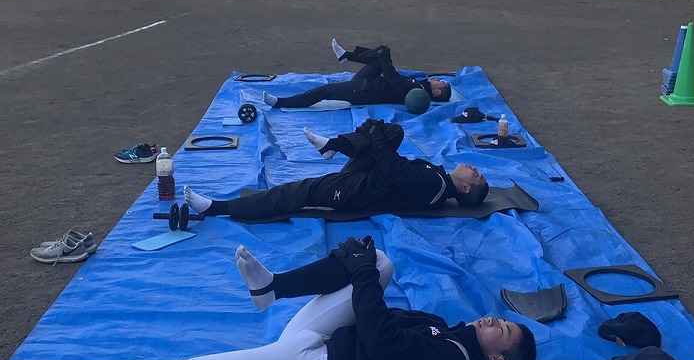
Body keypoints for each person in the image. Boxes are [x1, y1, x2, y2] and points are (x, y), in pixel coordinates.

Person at [2, 237, 537, 360]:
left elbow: (383, 343)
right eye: (503, 318)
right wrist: (360, 271)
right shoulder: (447, 332)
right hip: (321, 345)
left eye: (504, 332)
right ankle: (272, 288)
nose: (495, 321)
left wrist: (358, 280)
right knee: (381, 263)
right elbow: (379, 318)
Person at [183, 118, 489, 221]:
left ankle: (217, 208)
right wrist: (378, 134)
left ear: (464, 188)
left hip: (357, 191)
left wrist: (375, 136)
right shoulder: (437, 177)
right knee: (394, 131)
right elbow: (390, 164)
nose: (473, 167)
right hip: (371, 176)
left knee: (299, 191)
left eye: (475, 175)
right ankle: (332, 145)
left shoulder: (434, 186)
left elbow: (393, 168)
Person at [263, 40, 452, 109]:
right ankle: (347, 56)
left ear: (436, 92)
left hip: (363, 91)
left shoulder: (417, 92)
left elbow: (393, 79)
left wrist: (386, 57)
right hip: (369, 83)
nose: (438, 79)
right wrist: (382, 56)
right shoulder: (419, 85)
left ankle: (281, 102)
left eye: (440, 83)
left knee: (324, 91)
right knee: (378, 57)